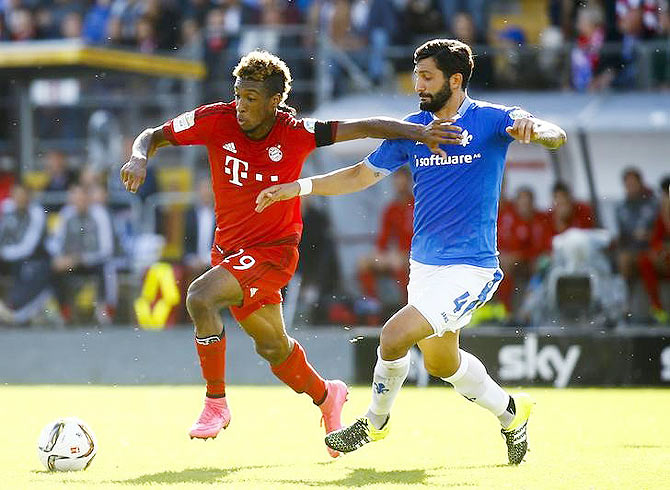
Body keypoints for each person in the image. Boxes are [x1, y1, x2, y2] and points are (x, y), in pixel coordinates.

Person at [119, 50, 461, 457]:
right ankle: (327, 394)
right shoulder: (216, 119)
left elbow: (365, 126)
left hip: (272, 253)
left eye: (249, 98)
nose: (240, 106)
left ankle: (216, 403)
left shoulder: (296, 131)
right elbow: (153, 135)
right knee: (274, 348)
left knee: (199, 296)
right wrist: (140, 156)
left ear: (273, 101)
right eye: (237, 95)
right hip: (229, 253)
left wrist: (420, 133)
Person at [256, 39, 567, 465]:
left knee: (393, 335)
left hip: (470, 267)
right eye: (416, 75)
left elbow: (554, 133)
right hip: (425, 266)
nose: (417, 84)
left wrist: (541, 131)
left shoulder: (493, 120)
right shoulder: (414, 129)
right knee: (442, 364)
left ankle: (375, 422)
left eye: (427, 76)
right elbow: (362, 174)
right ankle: (513, 414)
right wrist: (301, 187)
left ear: (455, 80)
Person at [357, 166, 413, 314]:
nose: (400, 185)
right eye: (397, 182)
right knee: (364, 262)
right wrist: (380, 254)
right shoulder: (391, 209)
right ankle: (372, 302)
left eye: (403, 182)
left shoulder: (417, 205)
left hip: (415, 253)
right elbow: (384, 237)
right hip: (398, 253)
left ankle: (408, 305)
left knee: (398, 262)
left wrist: (405, 253)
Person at [638, 176, 670, 324]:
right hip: (666, 258)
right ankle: (657, 307)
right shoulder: (661, 214)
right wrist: (659, 250)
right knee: (645, 260)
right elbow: (656, 240)